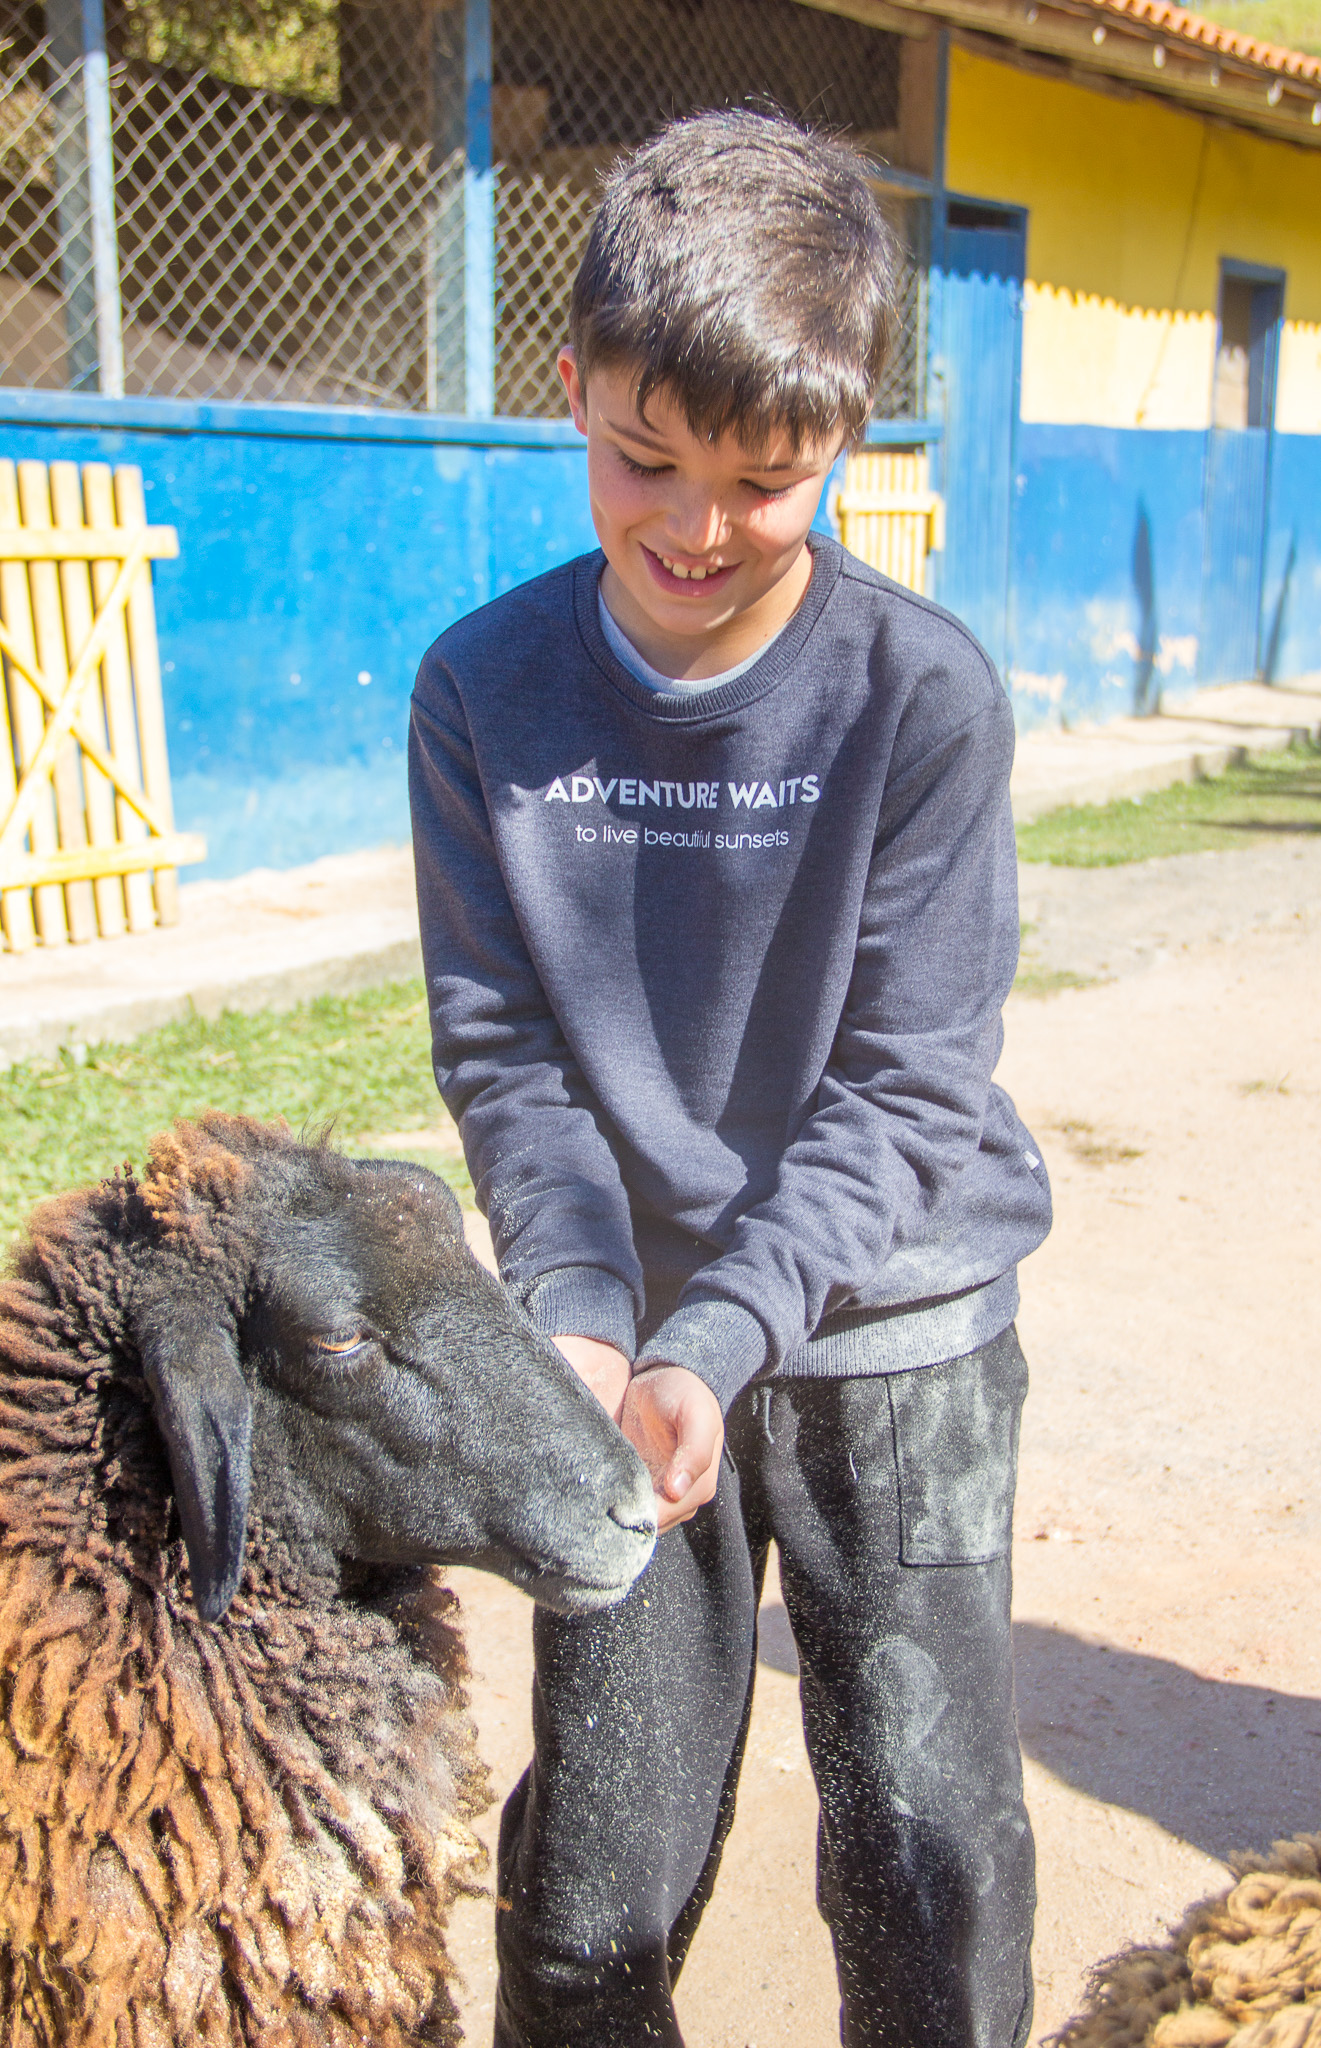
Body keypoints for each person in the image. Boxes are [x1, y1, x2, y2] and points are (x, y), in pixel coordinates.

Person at [409, 105, 1052, 2048]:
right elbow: (508, 1052)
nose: (691, 527)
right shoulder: (481, 693)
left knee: (922, 1849)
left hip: (891, 1328)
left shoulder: (915, 699)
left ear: (844, 436)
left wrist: (732, 1328)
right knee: (588, 1889)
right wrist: (597, 1324)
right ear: (572, 387)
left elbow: (905, 1078)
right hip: (625, 1367)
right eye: (640, 458)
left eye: (762, 481)